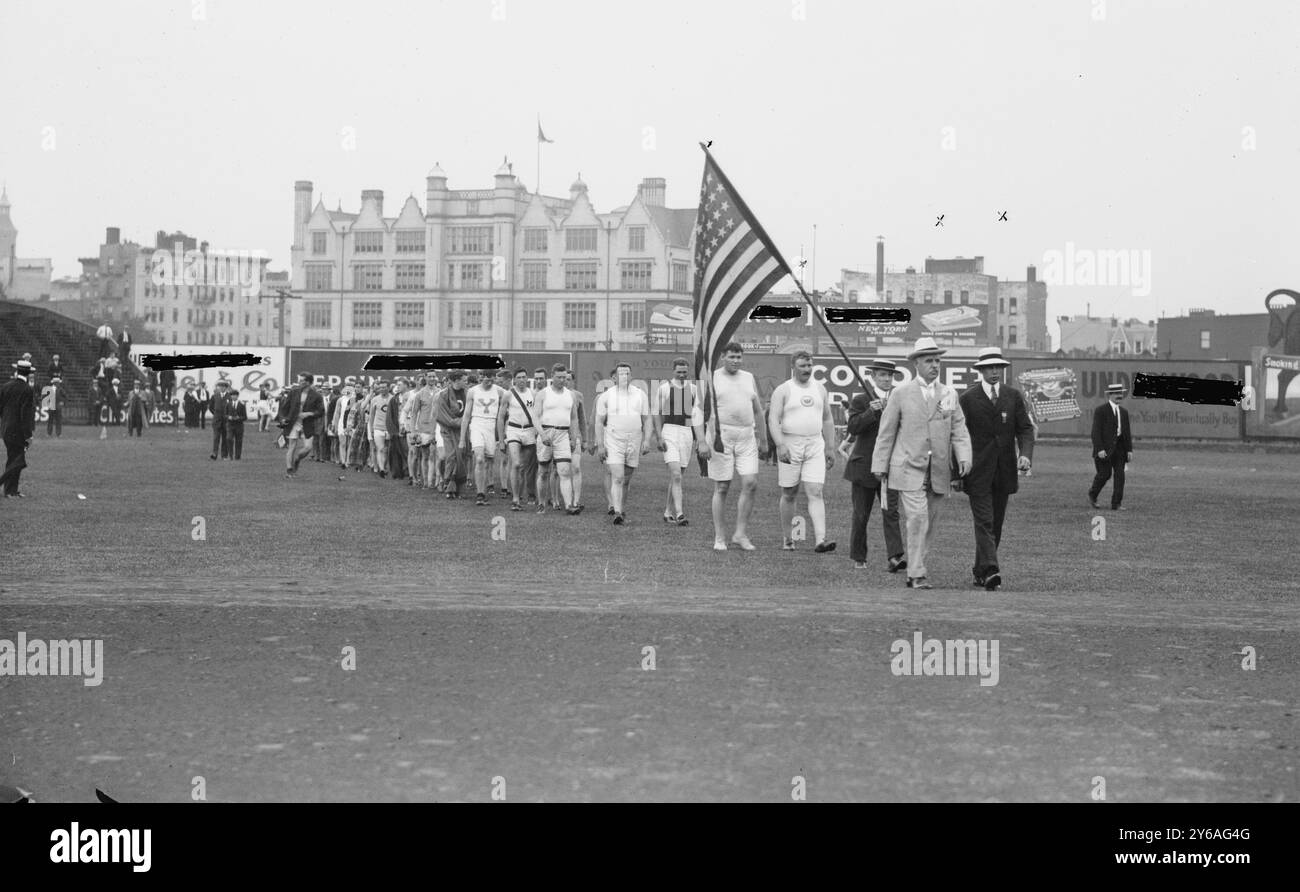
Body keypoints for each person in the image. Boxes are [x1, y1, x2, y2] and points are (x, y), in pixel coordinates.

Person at [871, 337, 972, 590]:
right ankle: (916, 573)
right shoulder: (900, 393)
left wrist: (964, 455)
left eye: (938, 360)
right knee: (917, 518)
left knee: (930, 524)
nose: (935, 365)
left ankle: (916, 566)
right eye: (929, 360)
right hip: (907, 468)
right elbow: (886, 432)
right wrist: (880, 464)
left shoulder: (950, 394)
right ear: (916, 363)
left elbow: (958, 429)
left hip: (938, 470)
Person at [958, 347, 1035, 591]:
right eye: (989, 368)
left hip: (1004, 470)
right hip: (977, 472)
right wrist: (956, 471)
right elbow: (958, 435)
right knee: (984, 522)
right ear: (980, 370)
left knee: (996, 524)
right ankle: (992, 569)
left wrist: (1024, 455)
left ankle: (980, 571)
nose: (994, 372)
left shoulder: (1013, 396)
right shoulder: (968, 399)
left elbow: (1025, 429)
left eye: (998, 367)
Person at [768, 351, 837, 553]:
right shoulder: (783, 390)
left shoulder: (820, 389)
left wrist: (830, 447)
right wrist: (780, 444)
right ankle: (789, 538)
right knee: (789, 493)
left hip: (815, 444)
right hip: (791, 443)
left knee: (815, 491)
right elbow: (773, 419)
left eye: (809, 365)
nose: (807, 369)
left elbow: (827, 418)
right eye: (802, 366)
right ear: (793, 367)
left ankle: (820, 540)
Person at [706, 342, 769, 552]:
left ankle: (740, 534)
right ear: (723, 356)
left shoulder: (748, 377)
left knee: (750, 483)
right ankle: (719, 536)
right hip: (721, 435)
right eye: (732, 356)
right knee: (722, 486)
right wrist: (701, 440)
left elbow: (758, 411)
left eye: (739, 357)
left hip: (747, 436)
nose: (736, 361)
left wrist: (764, 439)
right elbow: (700, 410)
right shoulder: (711, 377)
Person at [844, 359, 906, 572]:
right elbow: (853, 427)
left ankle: (895, 557)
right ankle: (859, 557)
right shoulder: (861, 400)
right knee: (861, 514)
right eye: (882, 375)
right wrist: (870, 413)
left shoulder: (900, 398)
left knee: (891, 513)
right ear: (873, 377)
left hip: (890, 466)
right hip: (863, 467)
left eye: (890, 375)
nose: (887, 379)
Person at [594, 362, 654, 525]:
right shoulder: (606, 396)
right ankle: (617, 511)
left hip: (634, 439)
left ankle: (621, 506)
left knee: (626, 479)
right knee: (618, 477)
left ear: (631, 376)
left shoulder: (640, 394)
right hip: (614, 439)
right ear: (614, 377)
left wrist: (647, 440)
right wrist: (600, 445)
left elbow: (647, 418)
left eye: (627, 373)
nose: (624, 376)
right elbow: (599, 422)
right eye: (621, 373)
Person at [653, 358, 709, 525]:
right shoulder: (663, 388)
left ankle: (668, 511)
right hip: (669, 431)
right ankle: (680, 514)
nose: (682, 374)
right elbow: (656, 413)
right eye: (679, 371)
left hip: (686, 433)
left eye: (685, 372)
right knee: (676, 474)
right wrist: (659, 436)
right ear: (673, 371)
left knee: (676, 476)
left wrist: (700, 439)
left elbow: (697, 416)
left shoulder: (693, 390)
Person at [531, 363, 581, 514]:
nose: (562, 380)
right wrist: (542, 434)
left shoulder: (570, 395)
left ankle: (569, 506)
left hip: (563, 435)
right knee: (543, 471)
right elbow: (535, 417)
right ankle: (541, 503)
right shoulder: (543, 394)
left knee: (564, 471)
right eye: (559, 377)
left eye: (564, 377)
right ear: (552, 377)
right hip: (546, 432)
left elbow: (574, 419)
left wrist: (573, 437)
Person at [461, 371, 505, 505]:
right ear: (481, 377)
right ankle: (480, 494)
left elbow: (509, 406)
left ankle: (486, 488)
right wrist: (462, 438)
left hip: (491, 426)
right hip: (477, 424)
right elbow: (466, 415)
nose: (489, 380)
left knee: (488, 459)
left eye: (491, 377)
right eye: (486, 377)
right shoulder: (472, 392)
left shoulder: (500, 391)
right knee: (479, 458)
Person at [1088, 382, 1133, 511]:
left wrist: (1129, 450)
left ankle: (1116, 503)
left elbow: (1127, 433)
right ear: (1110, 395)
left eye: (1121, 393)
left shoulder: (1124, 412)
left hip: (1120, 449)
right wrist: (1100, 449)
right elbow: (1095, 432)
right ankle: (1093, 494)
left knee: (1120, 476)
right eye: (1117, 394)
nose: (1120, 396)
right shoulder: (1101, 411)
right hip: (1105, 449)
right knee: (1104, 474)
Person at [277, 372, 325, 478]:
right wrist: (283, 419)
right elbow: (284, 408)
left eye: (302, 381)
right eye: (299, 380)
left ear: (308, 382)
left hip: (307, 423)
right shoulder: (293, 392)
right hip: (293, 422)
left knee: (308, 447)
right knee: (291, 446)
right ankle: (289, 470)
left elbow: (321, 411)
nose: (299, 382)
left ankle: (297, 459)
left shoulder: (316, 395)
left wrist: (309, 414)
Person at [0, 360, 37, 498]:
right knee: (16, 461)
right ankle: (9, 490)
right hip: (18, 432)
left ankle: (12, 490)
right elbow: (25, 415)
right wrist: (28, 435)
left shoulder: (6, 386)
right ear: (28, 373)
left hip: (6, 429)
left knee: (15, 460)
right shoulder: (27, 389)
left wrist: (5, 422)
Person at [501, 369, 537, 512]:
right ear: (514, 380)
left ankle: (520, 496)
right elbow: (500, 417)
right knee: (515, 464)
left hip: (529, 431)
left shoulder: (533, 394)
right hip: (514, 430)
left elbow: (538, 415)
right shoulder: (508, 395)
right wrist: (501, 437)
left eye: (524, 377)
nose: (522, 379)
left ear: (527, 378)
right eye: (519, 377)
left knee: (523, 468)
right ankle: (515, 499)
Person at [435, 371, 469, 498]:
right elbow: (442, 415)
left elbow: (470, 411)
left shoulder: (468, 393)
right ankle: (448, 484)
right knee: (451, 456)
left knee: (462, 456)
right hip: (448, 431)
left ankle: (458, 488)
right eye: (464, 380)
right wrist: (462, 421)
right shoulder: (443, 395)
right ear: (456, 380)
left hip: (463, 431)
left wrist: (466, 422)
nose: (466, 382)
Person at [208, 380, 232, 458]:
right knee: (216, 438)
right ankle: (214, 453)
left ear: (226, 388)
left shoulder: (230, 397)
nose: (221, 388)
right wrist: (216, 414)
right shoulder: (215, 396)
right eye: (220, 387)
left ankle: (224, 455)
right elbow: (211, 407)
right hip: (217, 420)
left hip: (226, 421)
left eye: (223, 387)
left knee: (225, 438)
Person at [224, 383, 247, 459]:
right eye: (232, 395)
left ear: (237, 396)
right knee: (229, 438)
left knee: (239, 441)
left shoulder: (241, 405)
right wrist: (229, 417)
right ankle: (230, 455)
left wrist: (239, 418)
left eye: (235, 395)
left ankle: (237, 456)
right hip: (230, 425)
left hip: (239, 426)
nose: (233, 397)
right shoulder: (228, 404)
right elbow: (225, 415)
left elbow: (245, 417)